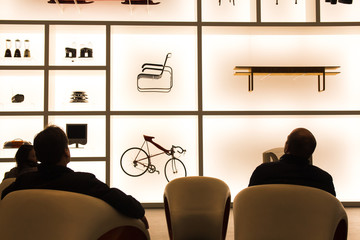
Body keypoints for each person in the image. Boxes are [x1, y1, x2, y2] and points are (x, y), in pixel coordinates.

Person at [2, 125, 148, 228]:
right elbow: (123, 201)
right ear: (67, 152)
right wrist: (140, 213)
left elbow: (5, 198)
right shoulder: (83, 182)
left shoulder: (24, 182)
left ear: (38, 156)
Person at [248, 127, 336, 196]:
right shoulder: (324, 180)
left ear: (287, 148)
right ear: (310, 153)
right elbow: (332, 209)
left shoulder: (262, 172)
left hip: (268, 219)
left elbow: (249, 201)